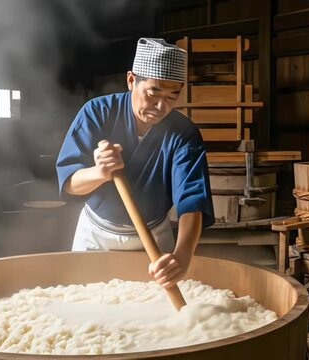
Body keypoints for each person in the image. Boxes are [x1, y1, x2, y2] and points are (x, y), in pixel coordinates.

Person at [56, 38, 214, 289]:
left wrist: (182, 257)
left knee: (151, 311)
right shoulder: (97, 112)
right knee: (85, 306)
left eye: (172, 96)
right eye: (153, 93)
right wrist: (100, 172)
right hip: (95, 235)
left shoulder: (184, 133)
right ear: (131, 80)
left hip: (153, 236)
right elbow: (70, 184)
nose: (162, 106)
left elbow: (192, 200)